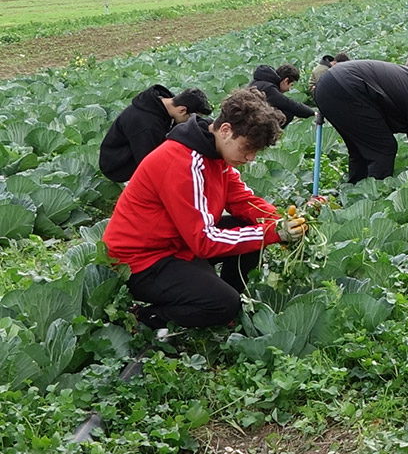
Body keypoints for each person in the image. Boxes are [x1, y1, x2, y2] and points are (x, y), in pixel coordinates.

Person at [104, 89, 308, 330]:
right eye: (247, 148)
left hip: (177, 243)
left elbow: (242, 200)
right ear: (225, 131)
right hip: (141, 261)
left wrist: (280, 220)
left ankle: (222, 297)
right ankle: (145, 318)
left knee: (246, 230)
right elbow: (203, 240)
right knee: (222, 303)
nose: (251, 157)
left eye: (256, 151)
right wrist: (275, 233)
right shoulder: (183, 162)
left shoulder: (214, 154)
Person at [314, 60, 408, 189]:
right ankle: (374, 198)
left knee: (360, 149)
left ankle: (355, 192)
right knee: (383, 149)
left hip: (329, 85)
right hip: (346, 88)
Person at [99, 85, 212, 183]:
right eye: (191, 117)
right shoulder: (147, 125)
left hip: (137, 148)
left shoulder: (163, 102)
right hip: (119, 164)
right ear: (182, 110)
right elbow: (150, 164)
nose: (191, 122)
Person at [249, 63, 316, 128]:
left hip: (248, 118)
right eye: (291, 85)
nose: (289, 90)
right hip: (249, 122)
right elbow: (289, 104)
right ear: (286, 80)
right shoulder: (268, 88)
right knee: (288, 112)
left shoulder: (258, 82)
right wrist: (313, 113)